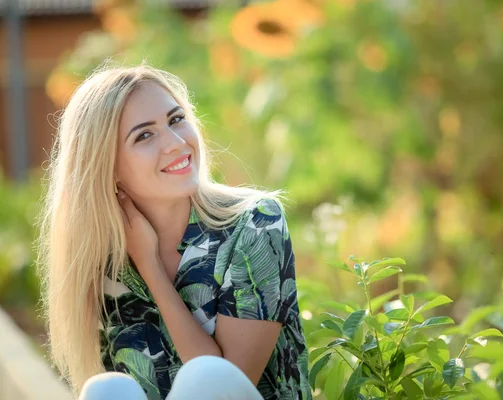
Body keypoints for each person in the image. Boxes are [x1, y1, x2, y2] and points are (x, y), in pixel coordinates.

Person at [35, 63, 311, 400]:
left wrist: (150, 268)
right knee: (105, 390)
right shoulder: (102, 261)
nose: (176, 143)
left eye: (176, 120)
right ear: (107, 167)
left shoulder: (255, 223)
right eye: (145, 135)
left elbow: (224, 387)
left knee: (206, 375)